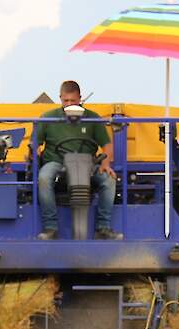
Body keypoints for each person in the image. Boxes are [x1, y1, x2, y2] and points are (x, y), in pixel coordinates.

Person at [35, 80, 121, 240]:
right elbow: (35, 144)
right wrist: (35, 155)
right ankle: (50, 228)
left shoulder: (93, 119)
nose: (69, 104)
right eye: (66, 101)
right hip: (56, 162)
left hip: (87, 163)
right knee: (43, 178)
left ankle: (103, 228)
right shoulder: (48, 118)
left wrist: (105, 163)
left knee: (109, 180)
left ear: (80, 99)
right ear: (60, 98)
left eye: (73, 101)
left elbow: (107, 145)